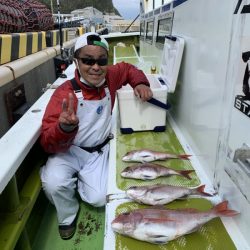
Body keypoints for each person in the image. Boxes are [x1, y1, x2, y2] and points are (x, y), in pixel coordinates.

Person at [39, 32, 153, 240]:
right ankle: (67, 215)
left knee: (100, 198)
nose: (95, 67)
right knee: (54, 183)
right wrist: (63, 128)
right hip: (68, 151)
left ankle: (78, 183)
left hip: (98, 152)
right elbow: (47, 143)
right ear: (76, 62)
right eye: (87, 60)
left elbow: (128, 69)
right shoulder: (64, 94)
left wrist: (140, 82)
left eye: (101, 60)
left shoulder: (110, 76)